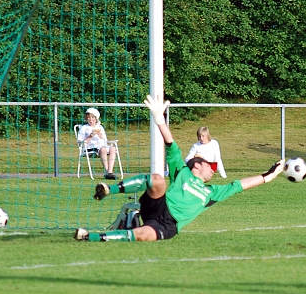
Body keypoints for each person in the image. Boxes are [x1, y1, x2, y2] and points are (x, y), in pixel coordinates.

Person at [74, 95, 284, 242]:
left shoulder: (212, 192)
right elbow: (170, 143)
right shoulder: (181, 170)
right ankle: (110, 190)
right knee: (157, 179)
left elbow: (240, 185)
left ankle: (89, 236)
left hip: (168, 225)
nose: (213, 170)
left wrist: (269, 175)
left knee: (143, 235)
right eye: (210, 166)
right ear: (198, 165)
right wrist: (159, 119)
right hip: (158, 206)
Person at [76, 107, 119, 180]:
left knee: (113, 148)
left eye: (93, 117)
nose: (90, 119)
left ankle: (110, 172)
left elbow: (105, 141)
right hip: (90, 148)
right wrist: (90, 136)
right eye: (89, 117)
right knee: (103, 149)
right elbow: (81, 143)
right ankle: (108, 173)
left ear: (96, 119)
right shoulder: (84, 128)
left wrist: (101, 136)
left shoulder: (100, 127)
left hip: (102, 147)